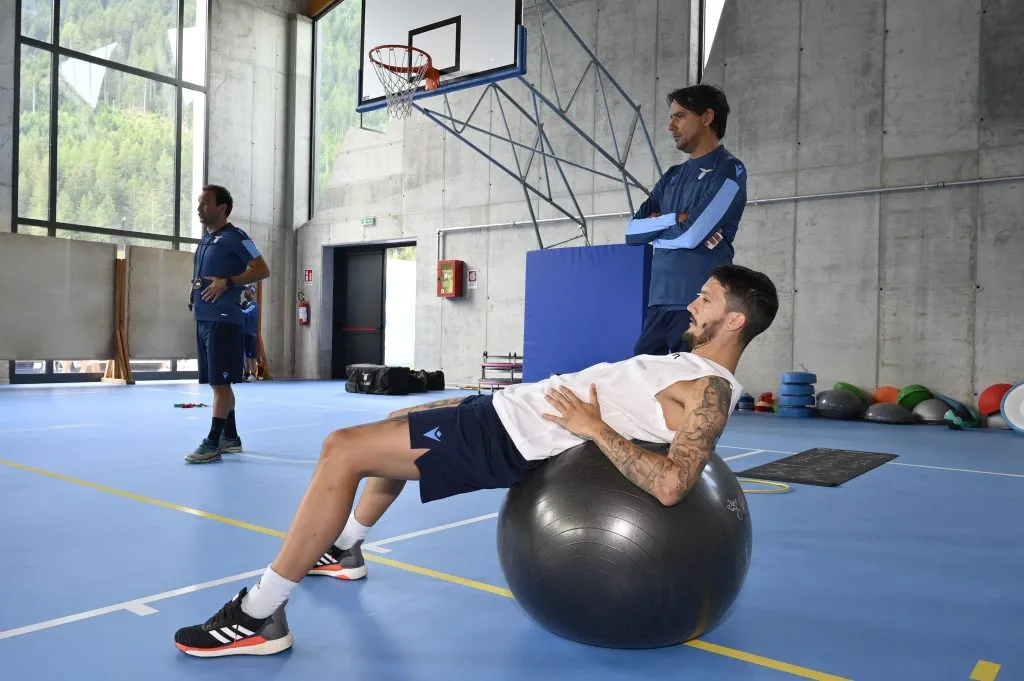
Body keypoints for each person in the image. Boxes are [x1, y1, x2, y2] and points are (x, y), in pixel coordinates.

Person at [173, 263, 778, 657]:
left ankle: (260, 615)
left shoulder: (711, 391)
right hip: (501, 414)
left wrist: (594, 429)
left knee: (341, 449)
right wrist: (479, 398)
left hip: (507, 440)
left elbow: (674, 484)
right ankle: (347, 548)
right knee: (388, 428)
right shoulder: (683, 366)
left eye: (706, 299)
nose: (692, 305)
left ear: (734, 320)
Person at [626, 84, 747, 356]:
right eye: (671, 117)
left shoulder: (729, 169)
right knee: (645, 391)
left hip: (699, 305)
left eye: (679, 116)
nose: (670, 125)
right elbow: (632, 233)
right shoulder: (671, 176)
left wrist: (656, 230)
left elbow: (692, 235)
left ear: (706, 117)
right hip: (658, 305)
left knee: (692, 391)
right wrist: (674, 218)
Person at [185, 185, 271, 464]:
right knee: (217, 384)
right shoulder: (207, 239)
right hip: (204, 319)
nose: (200, 207)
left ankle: (212, 443)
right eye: (199, 202)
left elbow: (261, 269)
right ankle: (230, 437)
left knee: (220, 386)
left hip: (223, 321)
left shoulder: (236, 237)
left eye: (205, 202)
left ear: (222, 207)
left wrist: (229, 282)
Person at [241, 286, 260, 381]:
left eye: (247, 290)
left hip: (250, 333)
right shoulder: (244, 303)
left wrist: (235, 310)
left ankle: (253, 373)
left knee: (251, 355)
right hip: (242, 333)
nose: (245, 292)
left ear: (252, 292)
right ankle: (246, 373)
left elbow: (246, 313)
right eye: (245, 290)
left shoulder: (254, 305)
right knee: (244, 355)